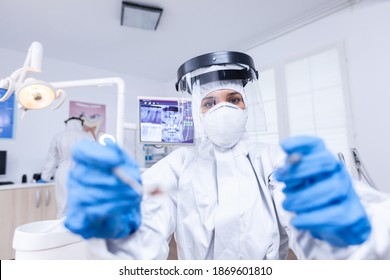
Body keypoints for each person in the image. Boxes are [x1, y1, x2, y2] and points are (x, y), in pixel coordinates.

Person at [64, 51, 390, 259]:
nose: (223, 109)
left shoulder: (273, 159)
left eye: (233, 99)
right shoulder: (178, 165)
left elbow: (319, 229)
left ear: (247, 107)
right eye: (209, 102)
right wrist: (119, 232)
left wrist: (350, 236)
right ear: (198, 112)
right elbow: (145, 223)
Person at [40, 116, 93, 218]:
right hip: (82, 172)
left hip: (63, 171)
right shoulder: (87, 136)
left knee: (63, 205)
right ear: (81, 124)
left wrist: (45, 177)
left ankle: (61, 231)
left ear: (67, 123)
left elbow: (52, 157)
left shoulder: (58, 136)